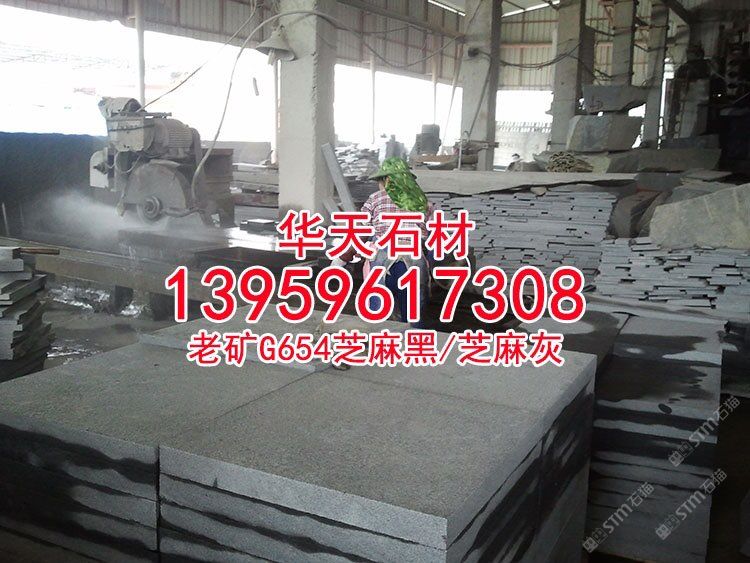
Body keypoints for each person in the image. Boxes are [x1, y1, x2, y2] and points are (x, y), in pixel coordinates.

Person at [356, 157, 433, 325]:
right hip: (413, 261)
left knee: (379, 314)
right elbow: (429, 235)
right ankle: (413, 338)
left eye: (379, 181)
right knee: (412, 316)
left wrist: (343, 258)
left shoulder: (375, 198)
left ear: (386, 180)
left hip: (382, 261)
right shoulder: (423, 201)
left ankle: (382, 338)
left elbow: (361, 230)